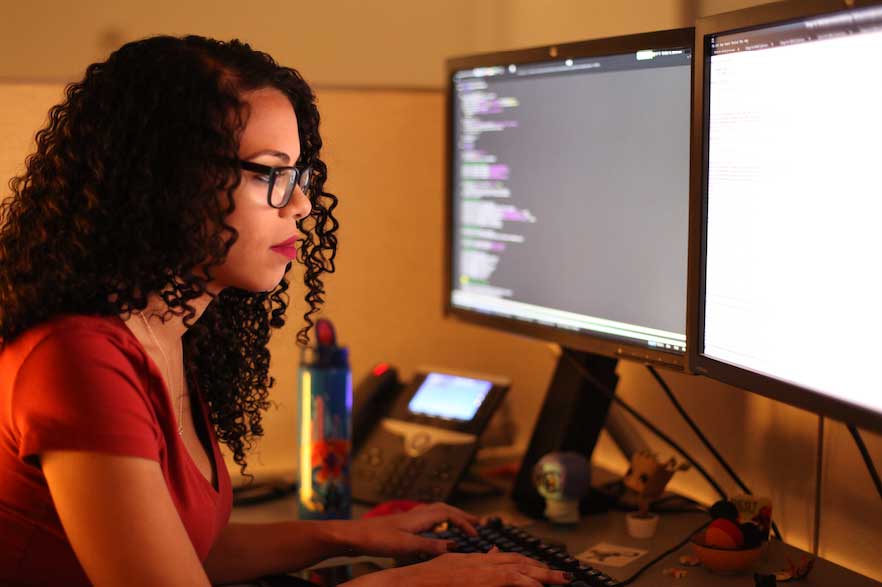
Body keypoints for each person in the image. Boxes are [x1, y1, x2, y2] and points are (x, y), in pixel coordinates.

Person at [0, 35, 572, 587]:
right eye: (272, 173)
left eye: (299, 175)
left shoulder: (166, 330)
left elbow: (194, 550)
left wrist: (348, 537)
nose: (300, 205)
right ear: (169, 182)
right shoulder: (79, 360)